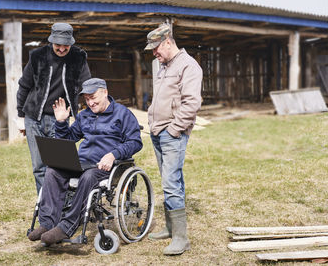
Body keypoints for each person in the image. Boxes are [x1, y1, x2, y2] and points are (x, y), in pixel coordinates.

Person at [27, 78, 143, 246]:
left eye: (93, 97)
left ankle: (66, 226)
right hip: (81, 163)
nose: (90, 102)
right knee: (53, 171)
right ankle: (47, 224)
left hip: (107, 165)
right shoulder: (84, 115)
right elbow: (67, 139)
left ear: (105, 92)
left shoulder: (123, 114)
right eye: (86, 99)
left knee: (88, 177)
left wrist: (113, 154)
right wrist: (60, 122)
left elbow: (135, 142)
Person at [144, 24, 203, 255]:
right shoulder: (163, 66)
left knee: (170, 182)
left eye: (156, 48)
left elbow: (192, 103)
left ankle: (181, 238)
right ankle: (170, 228)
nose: (154, 53)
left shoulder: (189, 66)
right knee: (171, 180)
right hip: (158, 132)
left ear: (168, 41)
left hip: (171, 134)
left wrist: (174, 129)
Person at [17, 23, 91, 195]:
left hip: (59, 119)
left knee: (60, 165)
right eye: (58, 44)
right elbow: (24, 86)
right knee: (39, 166)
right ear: (51, 41)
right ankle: (45, 206)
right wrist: (20, 116)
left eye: (66, 44)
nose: (62, 48)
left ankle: (62, 204)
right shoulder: (37, 56)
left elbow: (86, 85)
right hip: (33, 117)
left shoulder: (78, 57)